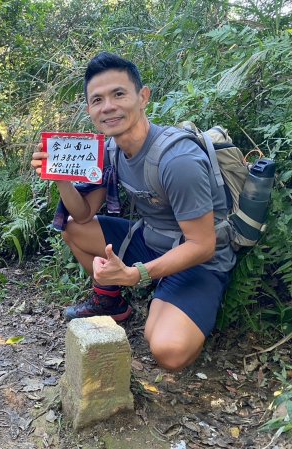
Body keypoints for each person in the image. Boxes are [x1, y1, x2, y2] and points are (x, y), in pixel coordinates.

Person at [30, 52, 236, 371]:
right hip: (149, 239)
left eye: (119, 94)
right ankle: (111, 302)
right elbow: (83, 215)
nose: (108, 106)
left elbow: (203, 245)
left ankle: (170, 296)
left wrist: (135, 274)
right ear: (89, 110)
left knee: (169, 352)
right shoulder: (112, 150)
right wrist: (60, 180)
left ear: (143, 98)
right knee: (72, 227)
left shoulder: (177, 160)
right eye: (97, 99)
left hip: (198, 258)